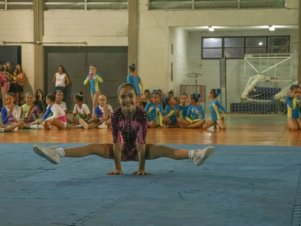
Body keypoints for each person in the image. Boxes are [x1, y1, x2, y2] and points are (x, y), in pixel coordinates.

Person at [32, 83, 214, 176]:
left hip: (139, 150)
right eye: (123, 97)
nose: (127, 100)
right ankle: (58, 152)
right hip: (120, 150)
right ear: (118, 99)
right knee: (94, 147)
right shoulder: (116, 115)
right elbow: (116, 142)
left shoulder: (142, 115)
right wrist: (118, 168)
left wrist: (141, 167)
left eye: (130, 96)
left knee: (162, 149)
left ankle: (194, 154)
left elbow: (141, 143)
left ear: (136, 98)